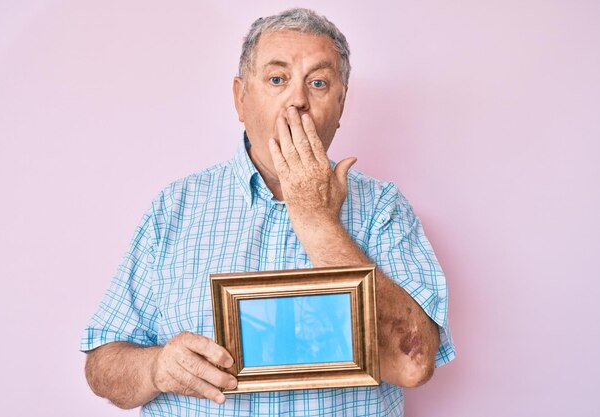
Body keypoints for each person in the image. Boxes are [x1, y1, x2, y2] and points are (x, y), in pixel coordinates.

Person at [81, 7, 455, 417]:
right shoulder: (176, 206)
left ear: (342, 104)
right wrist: (155, 367)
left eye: (318, 82)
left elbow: (413, 363)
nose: (297, 100)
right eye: (277, 79)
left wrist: (317, 219)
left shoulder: (384, 208)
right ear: (241, 97)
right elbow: (103, 364)